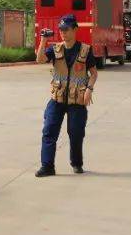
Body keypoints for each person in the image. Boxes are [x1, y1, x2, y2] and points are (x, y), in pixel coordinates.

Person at [35, 14, 97, 177]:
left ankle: (76, 163)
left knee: (76, 132)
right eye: (61, 30)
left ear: (75, 29)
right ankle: (47, 166)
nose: (63, 33)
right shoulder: (55, 49)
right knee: (49, 131)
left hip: (77, 99)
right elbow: (40, 59)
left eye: (67, 29)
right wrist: (43, 41)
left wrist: (89, 88)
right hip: (58, 98)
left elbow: (94, 73)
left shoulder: (85, 50)